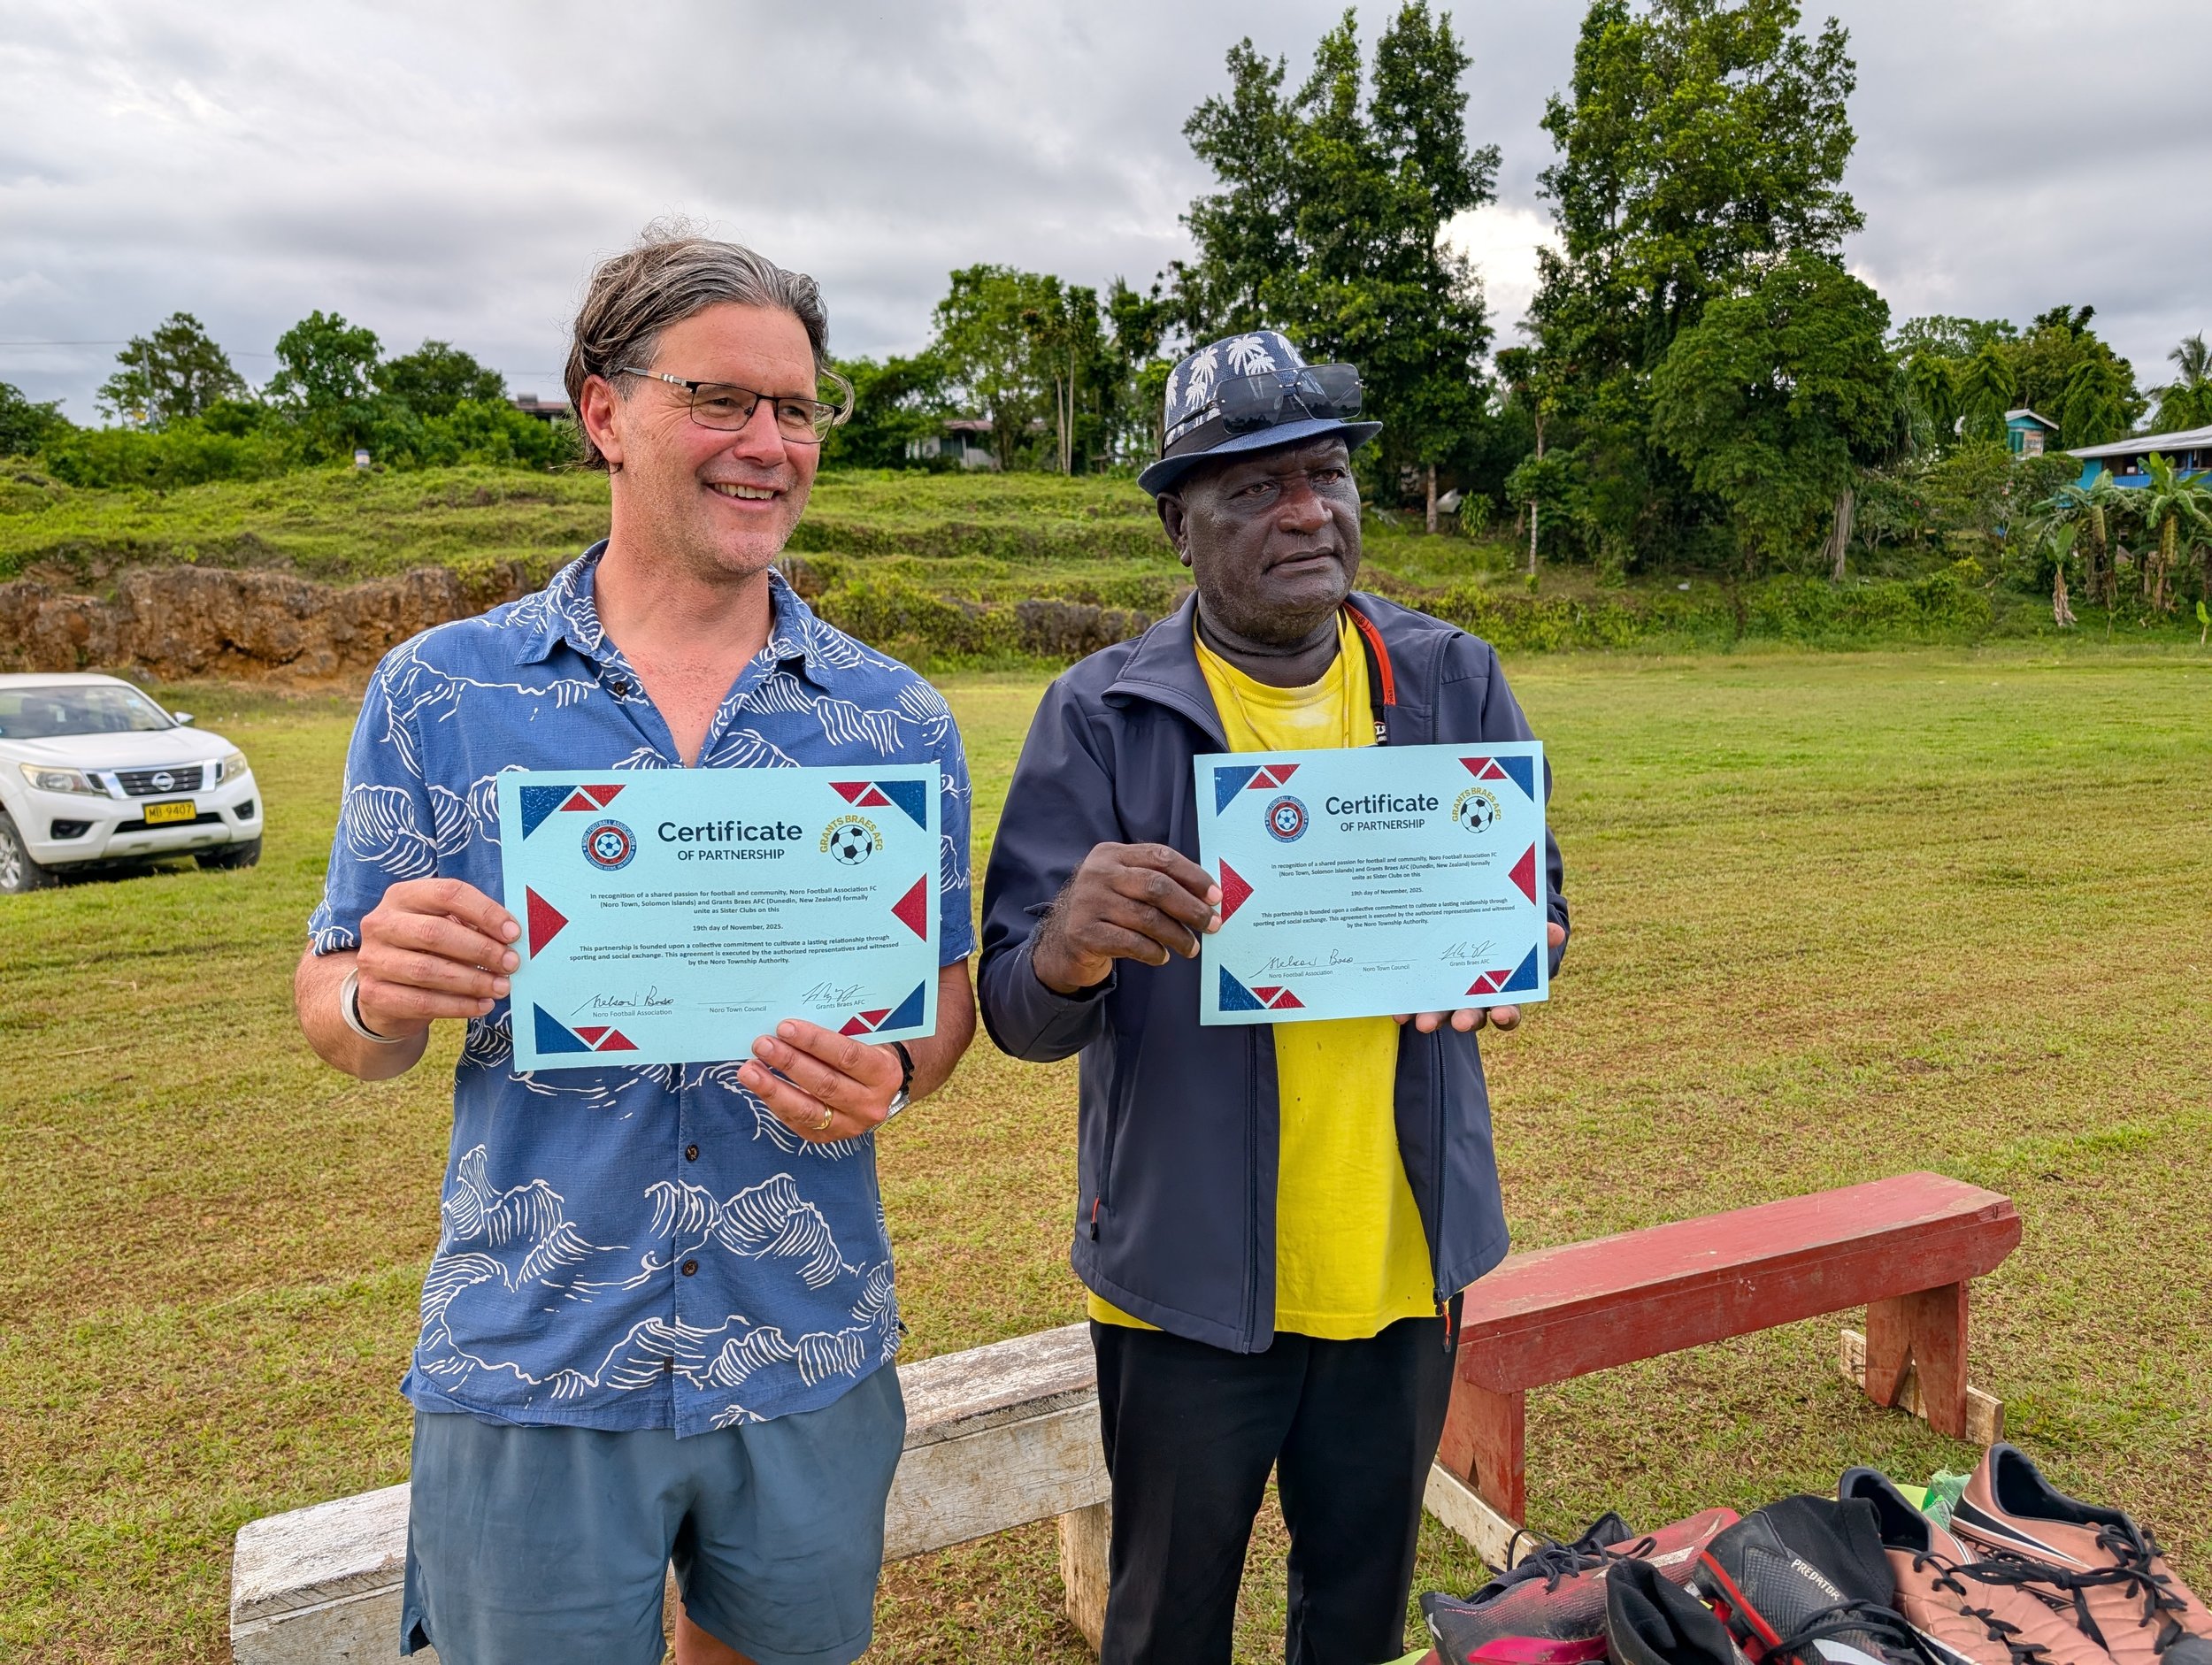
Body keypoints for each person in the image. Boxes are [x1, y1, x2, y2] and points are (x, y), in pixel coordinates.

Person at [293, 231, 977, 1665]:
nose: (769, 445)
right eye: (722, 401)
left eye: (797, 409)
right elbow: (338, 1009)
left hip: (803, 1345)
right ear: (604, 412)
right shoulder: (442, 694)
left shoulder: (891, 718)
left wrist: (897, 1071)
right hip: (533, 1356)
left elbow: (946, 995)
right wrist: (378, 988)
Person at [978, 331, 1570, 1665]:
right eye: (1253, 488)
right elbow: (1017, 1004)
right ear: (1180, 528)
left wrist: (1506, 950)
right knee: (1168, 1623)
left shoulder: (1453, 681)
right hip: (1186, 1285)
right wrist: (1071, 941)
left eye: (1326, 473)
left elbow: (1544, 909)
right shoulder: (1101, 715)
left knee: (1356, 1615)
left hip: (1398, 1264)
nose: (1306, 509)